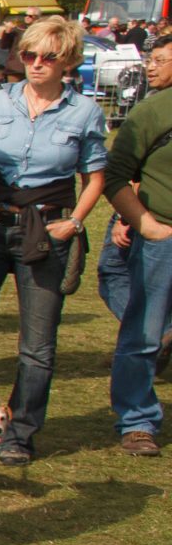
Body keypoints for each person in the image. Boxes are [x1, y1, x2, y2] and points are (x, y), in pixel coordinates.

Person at [0, 15, 110, 463]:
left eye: (48, 57)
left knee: (37, 346)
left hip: (45, 232)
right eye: (29, 55)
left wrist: (74, 222)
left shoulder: (85, 112)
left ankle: (19, 432)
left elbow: (95, 175)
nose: (36, 64)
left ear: (68, 61)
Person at [101, 35, 172, 457]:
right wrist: (144, 223)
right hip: (163, 236)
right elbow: (115, 174)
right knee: (144, 334)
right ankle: (136, 420)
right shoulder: (154, 110)